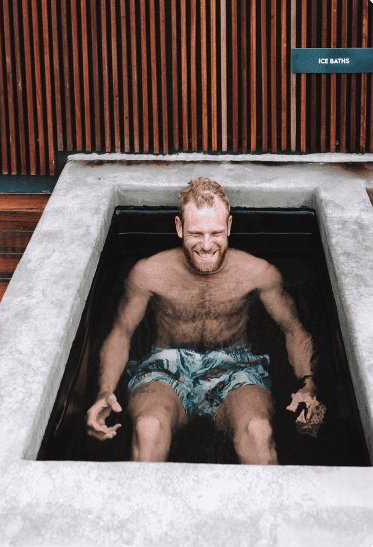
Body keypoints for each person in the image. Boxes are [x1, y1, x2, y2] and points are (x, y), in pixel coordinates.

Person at [86, 177, 324, 464]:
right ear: (179, 227)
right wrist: (105, 391)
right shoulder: (149, 272)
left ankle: (267, 509)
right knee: (148, 428)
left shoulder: (258, 272)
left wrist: (308, 383)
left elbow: (293, 329)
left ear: (230, 228)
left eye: (216, 232)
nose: (207, 245)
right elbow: (121, 333)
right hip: (166, 366)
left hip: (236, 367)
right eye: (196, 233)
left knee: (257, 431)